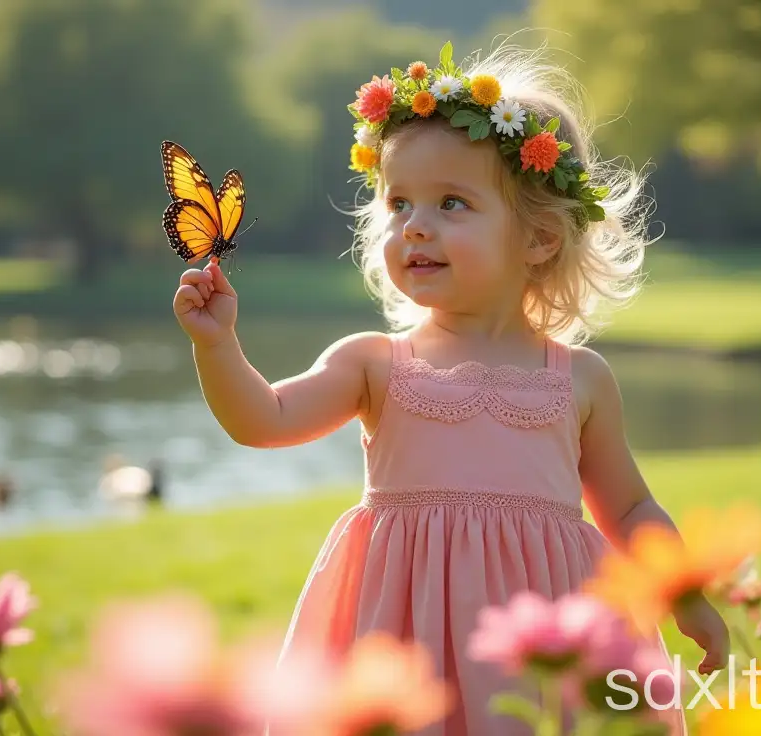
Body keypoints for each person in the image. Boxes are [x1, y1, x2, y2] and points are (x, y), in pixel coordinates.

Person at [172, 39, 725, 735]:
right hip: (407, 642)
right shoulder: (375, 364)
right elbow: (266, 419)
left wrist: (686, 594)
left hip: (546, 644)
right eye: (398, 202)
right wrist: (218, 346)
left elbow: (632, 504)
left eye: (452, 203)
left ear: (539, 239)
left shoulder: (578, 380)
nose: (415, 225)